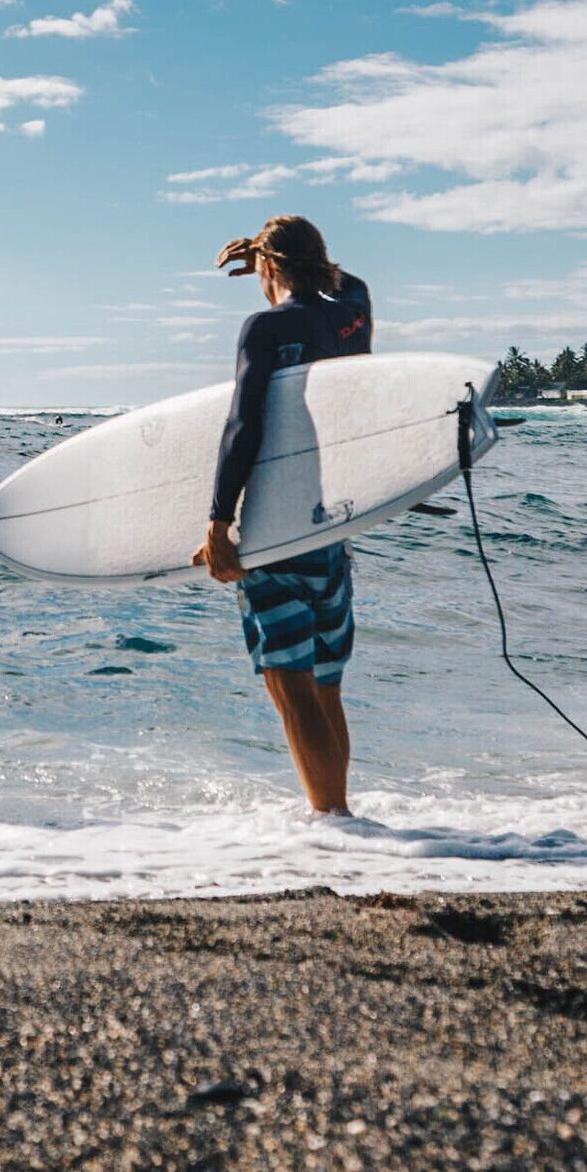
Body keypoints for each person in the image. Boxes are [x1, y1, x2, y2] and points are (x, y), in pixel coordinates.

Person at [198, 214, 373, 815]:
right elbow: (349, 283)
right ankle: (341, 816)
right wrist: (288, 257)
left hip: (276, 531)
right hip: (335, 521)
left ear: (266, 268)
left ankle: (335, 827)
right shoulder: (351, 311)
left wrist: (219, 522)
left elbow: (243, 424)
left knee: (290, 687)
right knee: (326, 687)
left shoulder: (264, 328)